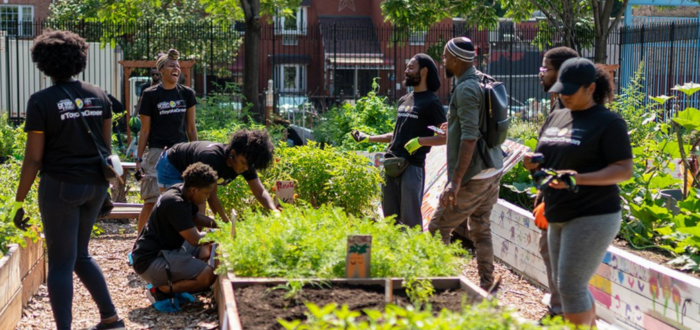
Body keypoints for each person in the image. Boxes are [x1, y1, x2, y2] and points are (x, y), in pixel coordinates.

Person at [11, 29, 124, 330]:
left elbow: (34, 158)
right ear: (80, 59)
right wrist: (107, 191)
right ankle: (111, 318)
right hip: (95, 186)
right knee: (80, 256)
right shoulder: (100, 96)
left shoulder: (41, 102)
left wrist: (18, 202)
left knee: (61, 262)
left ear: (43, 63)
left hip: (60, 187)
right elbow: (106, 148)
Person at [523, 59, 632, 328]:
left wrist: (578, 179)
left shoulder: (608, 122)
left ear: (591, 88)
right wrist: (533, 163)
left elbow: (623, 170)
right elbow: (547, 156)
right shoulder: (557, 115)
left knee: (571, 287)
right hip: (558, 209)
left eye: (571, 90)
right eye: (561, 89)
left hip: (593, 213)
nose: (563, 95)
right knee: (569, 286)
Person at [428, 37, 504, 293]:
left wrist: (456, 181)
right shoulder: (479, 80)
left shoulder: (466, 88)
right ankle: (486, 285)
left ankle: (442, 286)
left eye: (446, 57)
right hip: (493, 168)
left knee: (438, 227)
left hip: (475, 173)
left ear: (457, 60)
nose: (443, 61)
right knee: (480, 228)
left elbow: (470, 137)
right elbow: (476, 124)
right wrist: (454, 127)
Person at [350, 53, 446, 228]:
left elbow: (445, 137)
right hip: (391, 164)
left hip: (411, 166)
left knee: (409, 222)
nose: (406, 71)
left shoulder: (432, 103)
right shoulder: (404, 100)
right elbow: (397, 134)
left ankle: (412, 253)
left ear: (423, 71)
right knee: (390, 220)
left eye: (411, 67)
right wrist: (368, 138)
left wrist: (421, 141)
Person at [131, 163, 219, 309]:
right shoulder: (174, 202)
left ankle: (179, 280)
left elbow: (195, 217)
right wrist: (219, 235)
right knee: (207, 276)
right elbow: (196, 240)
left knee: (207, 248)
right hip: (150, 260)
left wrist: (218, 225)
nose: (208, 196)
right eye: (206, 192)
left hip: (165, 250)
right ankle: (159, 290)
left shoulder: (182, 192)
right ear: (194, 189)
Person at [535, 46, 579, 322]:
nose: (541, 73)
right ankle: (559, 304)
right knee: (547, 248)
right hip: (554, 192)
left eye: (545, 68)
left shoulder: (572, 109)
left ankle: (562, 308)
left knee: (556, 250)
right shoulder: (561, 105)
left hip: (568, 195)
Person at [136, 48, 198, 233]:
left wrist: (195, 153)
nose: (176, 68)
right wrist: (139, 159)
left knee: (181, 200)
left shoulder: (187, 94)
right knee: (152, 201)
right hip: (157, 153)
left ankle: (182, 243)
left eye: (178, 66)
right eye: (171, 65)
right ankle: (138, 245)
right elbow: (145, 130)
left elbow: (191, 128)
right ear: (161, 70)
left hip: (181, 152)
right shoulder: (150, 95)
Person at [156, 129, 278, 222]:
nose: (245, 168)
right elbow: (211, 197)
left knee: (197, 205)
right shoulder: (212, 158)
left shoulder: (246, 163)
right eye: (243, 163)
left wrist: (274, 211)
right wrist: (227, 226)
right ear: (233, 153)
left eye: (249, 166)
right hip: (172, 165)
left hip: (190, 169)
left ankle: (193, 247)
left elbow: (259, 192)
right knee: (176, 208)